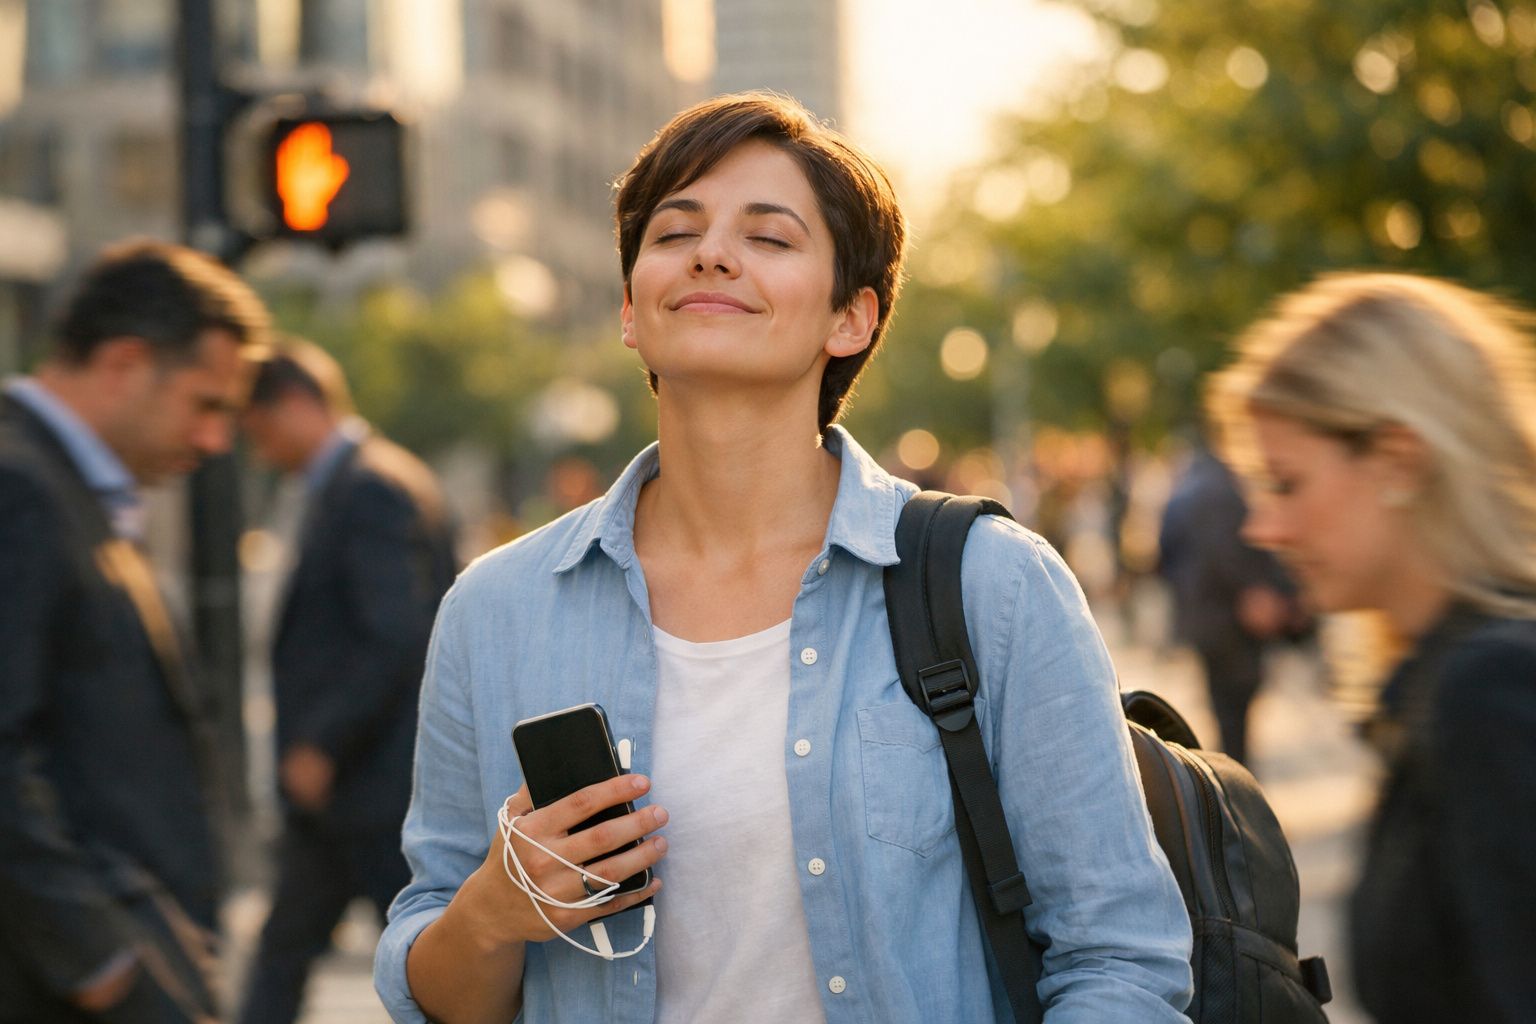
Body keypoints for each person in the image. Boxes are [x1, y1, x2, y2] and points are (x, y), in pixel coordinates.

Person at [375, 93, 1192, 1023]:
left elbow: (1121, 958)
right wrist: (490, 917)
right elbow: (435, 978)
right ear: (632, 312)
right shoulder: (495, 610)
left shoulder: (994, 585)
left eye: (770, 238)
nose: (710, 252)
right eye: (675, 231)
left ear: (851, 318)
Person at [1210, 272, 1536, 1022]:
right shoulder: (1456, 678)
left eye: (1286, 483)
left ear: (1397, 459)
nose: (1265, 528)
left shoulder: (1489, 693)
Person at [0, 239, 269, 1022]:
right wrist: (103, 963)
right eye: (206, 404)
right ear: (123, 363)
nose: (218, 440)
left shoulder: (68, 488)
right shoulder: (21, 488)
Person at [236, 341, 457, 1024]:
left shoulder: (369, 489)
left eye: (260, 430)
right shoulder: (370, 479)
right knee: (285, 954)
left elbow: (392, 637)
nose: (260, 448)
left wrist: (321, 744)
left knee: (432, 966)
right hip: (349, 791)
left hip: (369, 782)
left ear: (299, 406)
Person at [1157, 436, 1298, 764]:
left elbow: (1166, 555)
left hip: (1208, 621)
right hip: (1230, 622)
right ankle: (1237, 793)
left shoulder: (1190, 485)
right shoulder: (1220, 491)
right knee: (1234, 716)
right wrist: (1254, 592)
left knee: (1226, 711)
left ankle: (1234, 787)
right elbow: (1223, 554)